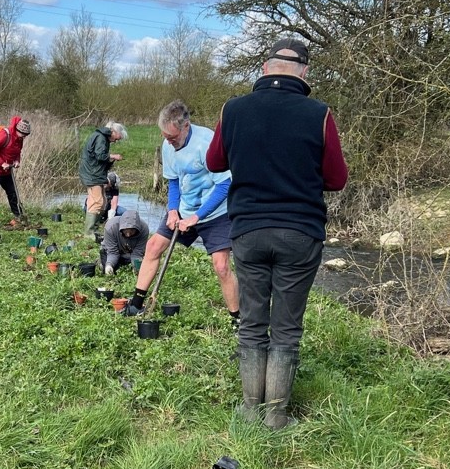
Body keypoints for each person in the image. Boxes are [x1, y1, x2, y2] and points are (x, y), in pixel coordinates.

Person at [206, 37, 348, 429]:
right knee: (286, 327)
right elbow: (336, 179)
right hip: (300, 232)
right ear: (304, 72)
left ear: (265, 68)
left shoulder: (233, 109)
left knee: (252, 321)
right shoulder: (319, 114)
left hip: (249, 229)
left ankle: (250, 411)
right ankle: (277, 417)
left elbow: (214, 160)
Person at [122, 100, 239, 325]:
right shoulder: (168, 144)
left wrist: (196, 218)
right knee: (154, 245)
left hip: (216, 213)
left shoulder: (208, 143)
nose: (168, 141)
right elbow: (173, 181)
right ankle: (136, 304)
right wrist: (173, 210)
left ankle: (238, 320)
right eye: (165, 136)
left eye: (172, 137)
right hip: (184, 209)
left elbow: (225, 185)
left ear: (186, 126)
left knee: (222, 265)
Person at [79, 120, 127, 237]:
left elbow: (99, 157)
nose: (116, 141)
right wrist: (113, 156)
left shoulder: (103, 138)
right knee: (96, 202)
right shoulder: (101, 137)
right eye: (117, 138)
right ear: (114, 131)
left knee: (103, 202)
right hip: (92, 174)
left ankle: (94, 229)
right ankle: (89, 232)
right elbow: (100, 155)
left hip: (96, 173)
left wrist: (110, 160)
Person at [0, 116, 31, 229]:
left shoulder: (19, 139)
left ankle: (18, 216)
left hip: (7, 171)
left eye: (26, 135)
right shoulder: (5, 135)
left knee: (13, 193)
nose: (24, 137)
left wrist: (17, 161)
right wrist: (1, 163)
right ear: (18, 130)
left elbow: (17, 152)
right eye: (23, 134)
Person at [100, 208, 148, 275]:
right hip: (109, 251)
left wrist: (136, 268)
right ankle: (103, 264)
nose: (128, 234)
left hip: (128, 253)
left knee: (139, 267)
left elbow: (137, 253)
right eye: (126, 230)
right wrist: (109, 265)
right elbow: (112, 252)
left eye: (132, 231)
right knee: (110, 270)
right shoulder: (111, 227)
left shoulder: (144, 229)